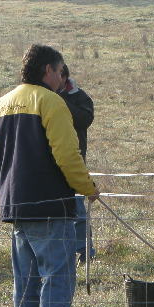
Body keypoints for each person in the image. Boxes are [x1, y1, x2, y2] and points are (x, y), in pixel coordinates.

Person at [0, 44, 99, 307]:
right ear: (48, 70)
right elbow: (67, 155)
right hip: (52, 207)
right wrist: (88, 188)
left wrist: (7, 194)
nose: (62, 78)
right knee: (57, 280)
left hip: (16, 209)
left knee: (25, 284)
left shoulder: (2, 103)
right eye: (61, 71)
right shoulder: (52, 102)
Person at [58, 64, 96, 264]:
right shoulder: (43, 96)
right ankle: (63, 250)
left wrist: (60, 101)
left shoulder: (80, 97)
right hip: (50, 162)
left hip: (75, 160)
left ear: (64, 77)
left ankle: (85, 251)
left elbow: (84, 119)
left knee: (78, 208)